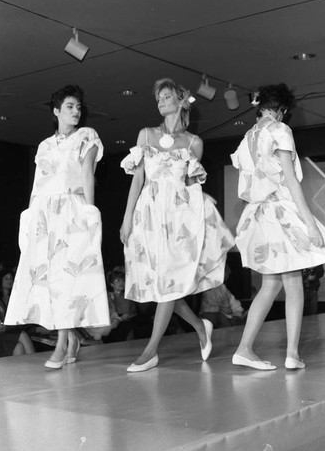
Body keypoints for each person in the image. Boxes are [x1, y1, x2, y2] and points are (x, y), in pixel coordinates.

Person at [120, 78, 234, 372]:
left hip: (178, 218)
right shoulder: (146, 135)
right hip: (149, 215)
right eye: (158, 97)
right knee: (163, 286)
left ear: (181, 100)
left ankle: (151, 350)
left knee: (168, 284)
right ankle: (200, 327)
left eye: (167, 96)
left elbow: (190, 186)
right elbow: (138, 179)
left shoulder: (194, 143)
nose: (161, 101)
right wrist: (126, 219)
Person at [5, 84, 110, 368]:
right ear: (56, 111)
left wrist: (90, 211)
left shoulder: (86, 137)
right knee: (52, 280)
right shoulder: (44, 146)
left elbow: (87, 174)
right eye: (69, 107)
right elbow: (38, 184)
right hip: (45, 214)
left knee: (68, 278)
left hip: (72, 212)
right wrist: (29, 216)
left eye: (78, 107)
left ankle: (64, 344)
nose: (76, 112)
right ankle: (71, 339)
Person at [231, 83, 325, 370]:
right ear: (282, 110)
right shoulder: (280, 130)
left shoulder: (247, 137)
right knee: (293, 282)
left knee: (270, 284)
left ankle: (244, 348)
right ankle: (292, 354)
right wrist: (310, 223)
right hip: (280, 211)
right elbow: (291, 180)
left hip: (259, 215)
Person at [0, 270, 35, 356]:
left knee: (19, 347)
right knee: (22, 334)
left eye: (11, 278)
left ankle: (27, 368)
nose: (9, 281)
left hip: (11, 330)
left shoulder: (15, 298)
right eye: (6, 278)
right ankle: (35, 365)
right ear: (0, 281)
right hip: (2, 332)